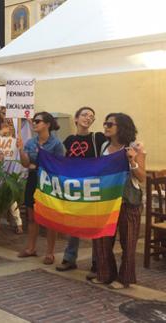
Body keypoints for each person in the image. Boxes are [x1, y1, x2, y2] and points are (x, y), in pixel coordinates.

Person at [92, 113, 146, 289]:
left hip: (128, 201)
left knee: (128, 242)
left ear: (121, 127)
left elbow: (142, 177)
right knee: (102, 239)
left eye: (110, 124)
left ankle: (124, 278)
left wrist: (132, 161)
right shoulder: (104, 147)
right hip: (107, 200)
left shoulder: (134, 148)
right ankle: (105, 273)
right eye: (105, 123)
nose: (106, 126)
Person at [56, 107, 106, 273]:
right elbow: (62, 162)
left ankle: (97, 262)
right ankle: (69, 259)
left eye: (91, 116)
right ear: (76, 119)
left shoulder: (97, 138)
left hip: (92, 187)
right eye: (84, 114)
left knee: (94, 226)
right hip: (75, 188)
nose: (88, 118)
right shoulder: (69, 140)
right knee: (74, 225)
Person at [17, 112, 64, 264]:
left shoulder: (56, 144)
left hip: (49, 183)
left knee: (50, 219)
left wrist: (36, 165)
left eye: (38, 121)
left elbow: (59, 165)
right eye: (34, 121)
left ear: (48, 124)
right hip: (33, 180)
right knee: (32, 217)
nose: (34, 123)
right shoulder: (31, 142)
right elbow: (26, 164)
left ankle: (50, 253)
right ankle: (31, 248)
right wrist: (21, 150)